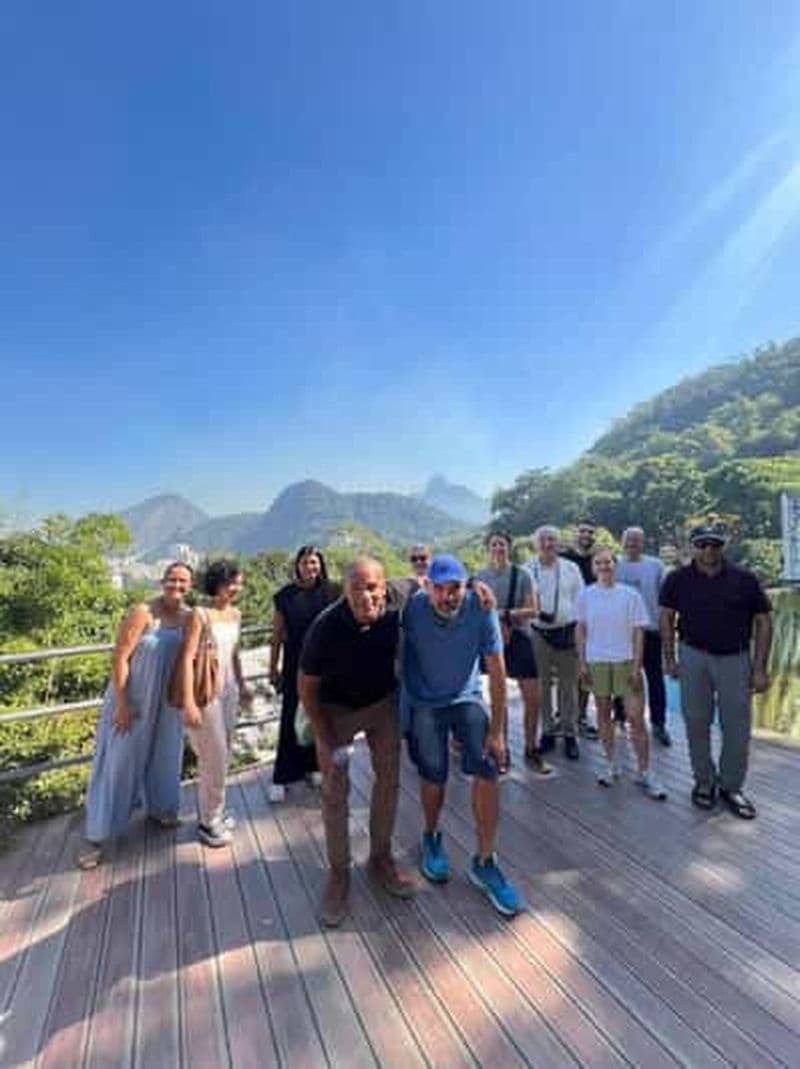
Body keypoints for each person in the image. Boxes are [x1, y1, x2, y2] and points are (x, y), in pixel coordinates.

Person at [402, 554, 522, 917]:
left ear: (465, 586)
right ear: (427, 587)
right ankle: (431, 836)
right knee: (434, 775)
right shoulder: (412, 608)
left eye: (454, 588)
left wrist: (498, 732)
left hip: (465, 698)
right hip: (424, 701)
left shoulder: (480, 607)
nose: (447, 596)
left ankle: (485, 861)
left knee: (488, 767)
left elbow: (497, 668)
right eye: (439, 589)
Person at [298, 557, 415, 927]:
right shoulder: (325, 628)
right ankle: (339, 873)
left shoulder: (399, 598)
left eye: (372, 587)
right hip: (335, 710)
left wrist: (478, 587)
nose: (366, 596)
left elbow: (429, 583)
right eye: (356, 589)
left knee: (389, 779)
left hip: (382, 704)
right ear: (345, 592)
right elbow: (306, 687)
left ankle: (380, 857)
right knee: (335, 790)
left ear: (384, 586)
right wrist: (325, 736)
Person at [78, 562, 194, 869]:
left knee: (166, 755)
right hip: (134, 699)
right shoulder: (143, 612)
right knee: (119, 762)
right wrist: (121, 703)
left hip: (168, 700)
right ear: (162, 581)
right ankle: (96, 836)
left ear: (190, 586)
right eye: (172, 580)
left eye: (183, 581)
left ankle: (161, 810)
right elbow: (119, 658)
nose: (177, 586)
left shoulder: (189, 617)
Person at [660, 524, 772, 818]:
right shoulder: (677, 579)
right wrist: (669, 658)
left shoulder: (745, 579)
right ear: (692, 547)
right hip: (693, 655)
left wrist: (760, 667)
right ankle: (704, 781)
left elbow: (763, 621)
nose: (708, 550)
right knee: (696, 722)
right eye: (702, 544)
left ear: (723, 546)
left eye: (714, 544)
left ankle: (731, 787)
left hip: (735, 658)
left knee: (737, 727)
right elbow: (666, 617)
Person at [576, 548, 667, 799]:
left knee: (636, 718)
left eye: (608, 562)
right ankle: (610, 764)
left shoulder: (630, 595)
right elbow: (580, 630)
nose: (604, 566)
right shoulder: (585, 595)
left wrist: (637, 667)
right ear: (593, 567)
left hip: (626, 662)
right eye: (598, 563)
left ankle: (645, 771)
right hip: (597, 662)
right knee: (603, 714)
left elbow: (639, 633)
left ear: (615, 566)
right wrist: (582, 663)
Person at [182, 560, 253, 847]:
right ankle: (208, 822)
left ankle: (215, 812)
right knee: (214, 756)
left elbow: (234, 654)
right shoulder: (200, 614)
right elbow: (187, 658)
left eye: (238, 583)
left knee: (223, 754)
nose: (235, 588)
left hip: (229, 691)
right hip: (207, 694)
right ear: (217, 584)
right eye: (230, 583)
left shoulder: (235, 614)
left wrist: (243, 685)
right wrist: (188, 702)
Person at [475, 530, 551, 774]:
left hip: (519, 638)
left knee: (533, 697)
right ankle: (502, 750)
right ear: (488, 548)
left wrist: (504, 615)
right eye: (494, 544)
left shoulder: (523, 575)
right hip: (492, 641)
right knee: (499, 698)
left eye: (502, 544)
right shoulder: (480, 577)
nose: (498, 548)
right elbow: (475, 610)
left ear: (509, 548)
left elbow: (533, 609)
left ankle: (531, 747)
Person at [269, 546, 340, 802]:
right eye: (305, 562)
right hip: (294, 665)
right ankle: (281, 777)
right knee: (291, 717)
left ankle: (314, 767)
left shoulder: (332, 592)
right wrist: (272, 667)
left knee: (318, 717)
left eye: (314, 562)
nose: (310, 567)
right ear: (297, 565)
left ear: (320, 565)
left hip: (324, 665)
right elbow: (277, 635)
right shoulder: (285, 596)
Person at [525, 526, 584, 759]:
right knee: (542, 685)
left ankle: (570, 733)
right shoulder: (527, 569)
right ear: (536, 544)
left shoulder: (571, 568)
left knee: (568, 686)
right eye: (543, 540)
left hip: (567, 631)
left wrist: (581, 632)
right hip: (538, 633)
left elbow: (581, 600)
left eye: (552, 539)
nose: (548, 544)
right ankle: (548, 731)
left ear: (558, 544)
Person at [614, 527, 671, 746]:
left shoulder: (655, 565)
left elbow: (665, 598)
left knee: (655, 678)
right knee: (621, 677)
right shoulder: (614, 564)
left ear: (643, 543)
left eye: (636, 540)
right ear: (622, 542)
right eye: (628, 540)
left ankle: (659, 723)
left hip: (650, 630)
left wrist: (665, 628)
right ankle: (620, 718)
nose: (632, 544)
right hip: (622, 632)